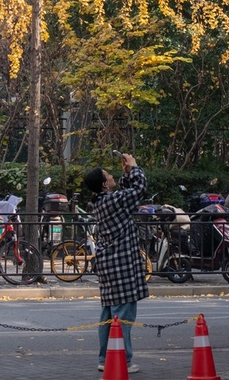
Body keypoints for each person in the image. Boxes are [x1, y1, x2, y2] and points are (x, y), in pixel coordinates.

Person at [83, 153, 148, 375]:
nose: (111, 176)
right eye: (108, 176)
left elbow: (126, 194)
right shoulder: (112, 200)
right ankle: (123, 360)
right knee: (124, 316)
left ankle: (104, 358)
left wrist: (127, 173)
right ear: (103, 184)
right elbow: (138, 192)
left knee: (108, 315)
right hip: (123, 266)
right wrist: (136, 167)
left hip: (109, 266)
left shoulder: (103, 202)